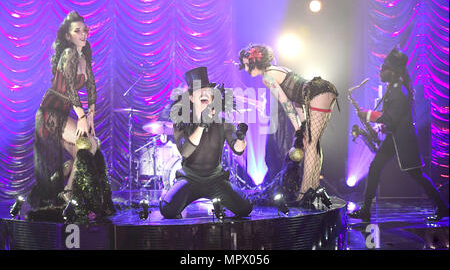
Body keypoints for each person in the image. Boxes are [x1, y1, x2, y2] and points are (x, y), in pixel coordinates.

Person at [26, 11, 114, 220]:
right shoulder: (69, 54)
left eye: (85, 30)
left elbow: (91, 86)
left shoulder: (84, 54)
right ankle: (67, 192)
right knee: (90, 144)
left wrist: (91, 114)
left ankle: (48, 189)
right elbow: (72, 90)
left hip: (63, 111)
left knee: (83, 152)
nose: (83, 34)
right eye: (77, 31)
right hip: (51, 111)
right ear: (68, 36)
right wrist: (82, 116)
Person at [348, 47, 449, 222]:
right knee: (375, 168)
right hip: (395, 138)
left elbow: (391, 118)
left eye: (383, 69)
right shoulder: (394, 88)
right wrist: (379, 126)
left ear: (392, 71)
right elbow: (392, 117)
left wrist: (368, 115)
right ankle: (365, 210)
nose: (380, 72)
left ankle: (442, 208)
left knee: (417, 175)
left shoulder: (398, 90)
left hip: (404, 140)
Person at [238, 44, 339, 208]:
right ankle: (313, 188)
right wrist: (302, 125)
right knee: (313, 143)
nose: (246, 68)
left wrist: (298, 128)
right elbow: (298, 97)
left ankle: (304, 193)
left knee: (311, 144)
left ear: (256, 61)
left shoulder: (267, 77)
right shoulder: (278, 69)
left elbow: (287, 105)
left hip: (317, 94)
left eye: (247, 64)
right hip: (321, 91)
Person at [159, 67, 253, 219]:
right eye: (199, 90)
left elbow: (238, 149)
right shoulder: (181, 123)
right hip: (189, 179)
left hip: (216, 180)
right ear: (191, 98)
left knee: (245, 208)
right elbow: (186, 151)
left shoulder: (223, 122)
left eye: (208, 90)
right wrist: (202, 124)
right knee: (167, 210)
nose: (204, 93)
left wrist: (241, 138)